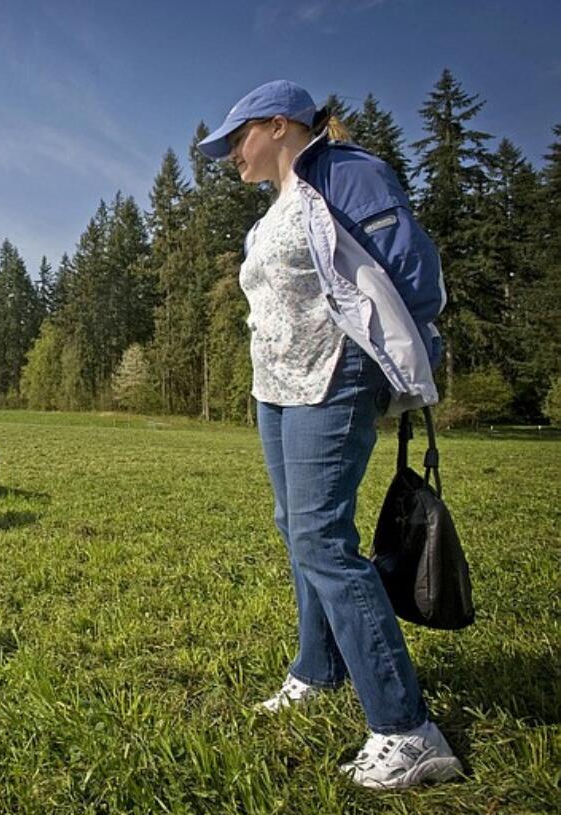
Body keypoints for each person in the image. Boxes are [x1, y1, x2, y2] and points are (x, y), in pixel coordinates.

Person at [196, 81, 461, 789]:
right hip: (276, 389)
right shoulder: (276, 204)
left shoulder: (347, 172)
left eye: (236, 139)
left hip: (333, 377)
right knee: (297, 531)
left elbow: (414, 272)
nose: (229, 156)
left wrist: (397, 357)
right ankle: (316, 669)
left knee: (322, 540)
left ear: (279, 124)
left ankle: (408, 730)